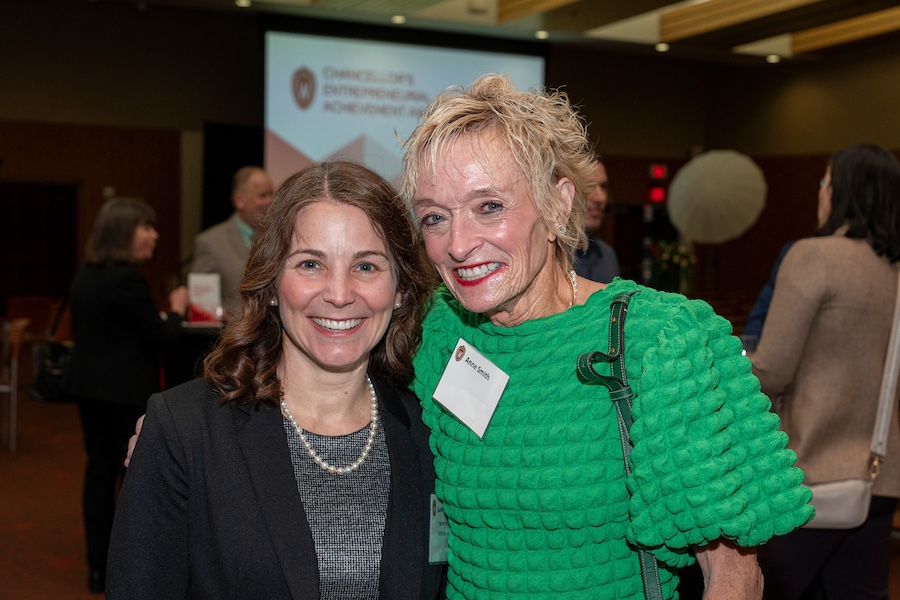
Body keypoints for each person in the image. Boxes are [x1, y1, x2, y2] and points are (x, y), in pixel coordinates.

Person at [398, 74, 814, 599]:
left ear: (556, 203)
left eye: (489, 207)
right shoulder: (439, 331)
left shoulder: (658, 342)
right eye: (435, 217)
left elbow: (734, 574)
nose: (457, 244)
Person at [107, 161, 445, 599]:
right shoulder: (185, 431)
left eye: (366, 267)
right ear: (270, 284)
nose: (340, 294)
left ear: (400, 290)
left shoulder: (430, 434)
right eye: (310, 264)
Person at [751, 143, 900, 600]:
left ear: (840, 192)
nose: (820, 193)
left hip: (811, 473)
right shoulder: (893, 269)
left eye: (824, 182)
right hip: (882, 476)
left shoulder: (812, 256)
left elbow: (772, 369)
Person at [65, 197, 189, 594]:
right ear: (123, 232)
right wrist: (175, 311)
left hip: (88, 389)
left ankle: (97, 568)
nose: (154, 234)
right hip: (124, 393)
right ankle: (127, 565)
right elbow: (161, 338)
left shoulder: (85, 274)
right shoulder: (127, 280)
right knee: (132, 477)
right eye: (145, 226)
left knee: (98, 473)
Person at [190, 165, 274, 319]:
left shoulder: (277, 236)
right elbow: (201, 303)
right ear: (240, 200)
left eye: (271, 194)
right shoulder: (210, 242)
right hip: (233, 337)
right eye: (262, 196)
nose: (270, 201)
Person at [573, 157, 620, 283]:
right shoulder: (546, 257)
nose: (600, 198)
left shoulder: (607, 256)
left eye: (603, 186)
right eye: (589, 185)